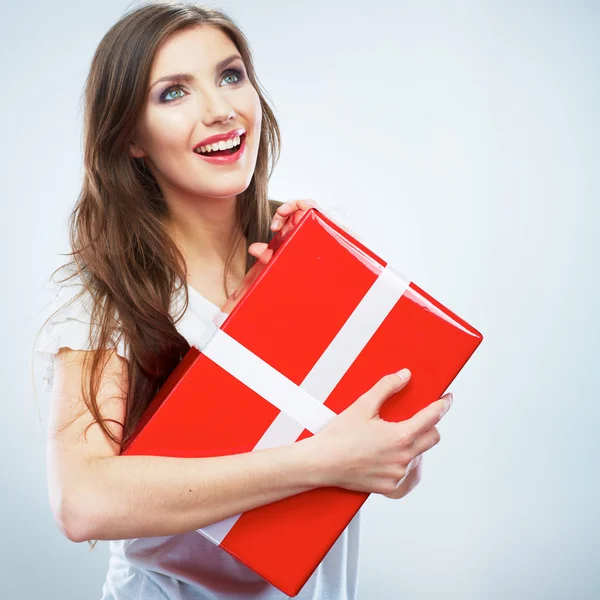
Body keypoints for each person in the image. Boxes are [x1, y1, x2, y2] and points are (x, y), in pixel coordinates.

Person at [33, 3, 453, 599]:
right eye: (173, 93)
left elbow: (386, 471)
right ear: (130, 137)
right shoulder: (110, 290)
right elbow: (83, 503)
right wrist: (322, 462)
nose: (220, 110)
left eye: (230, 76)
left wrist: (388, 450)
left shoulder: (301, 250)